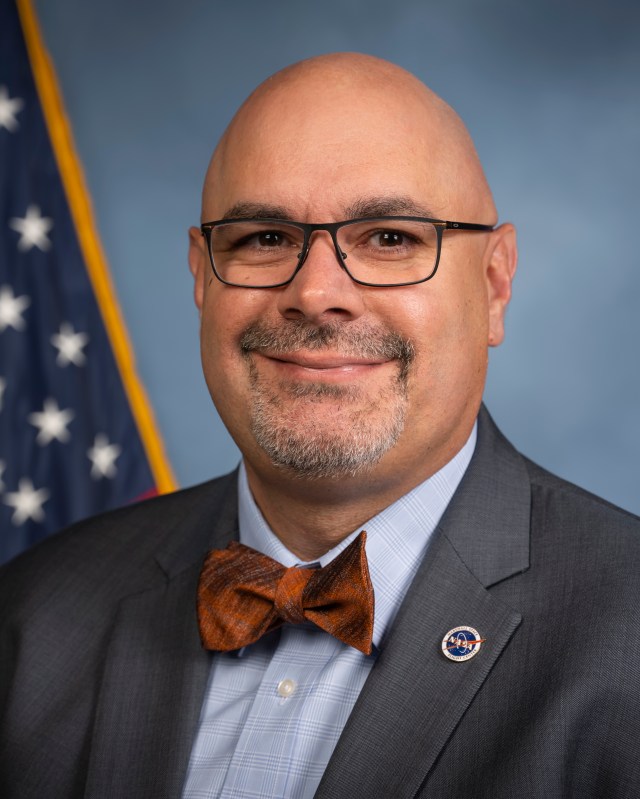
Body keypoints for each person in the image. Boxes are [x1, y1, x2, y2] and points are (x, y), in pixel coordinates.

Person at [1, 53, 639, 799]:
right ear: (202, 277)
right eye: (265, 238)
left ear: (494, 284)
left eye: (391, 238)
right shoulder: (34, 615)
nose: (316, 292)